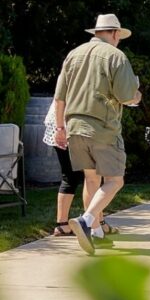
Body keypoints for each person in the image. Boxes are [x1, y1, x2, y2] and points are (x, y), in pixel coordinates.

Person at [54, 13, 142, 255]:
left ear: (96, 32)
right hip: (102, 128)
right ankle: (86, 220)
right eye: (119, 37)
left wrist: (60, 128)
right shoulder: (116, 56)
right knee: (115, 180)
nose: (119, 41)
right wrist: (137, 96)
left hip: (73, 127)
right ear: (114, 33)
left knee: (91, 179)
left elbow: (59, 96)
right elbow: (126, 95)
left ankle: (96, 232)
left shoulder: (73, 54)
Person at [42, 100, 88, 238]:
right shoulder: (73, 77)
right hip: (68, 127)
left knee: (71, 176)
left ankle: (62, 225)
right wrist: (60, 128)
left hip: (63, 125)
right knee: (92, 175)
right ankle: (95, 223)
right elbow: (59, 99)